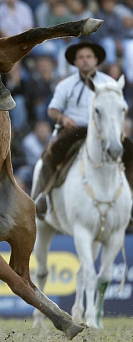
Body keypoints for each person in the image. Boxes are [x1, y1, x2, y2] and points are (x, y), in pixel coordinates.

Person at [32, 39, 133, 218]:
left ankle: (130, 203)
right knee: (50, 153)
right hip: (75, 130)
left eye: (89, 57)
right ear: (75, 62)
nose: (85, 60)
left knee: (131, 153)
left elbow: (122, 107)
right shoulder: (65, 84)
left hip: (104, 132)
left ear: (96, 60)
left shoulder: (110, 83)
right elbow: (52, 110)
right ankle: (43, 197)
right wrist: (63, 118)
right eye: (81, 57)